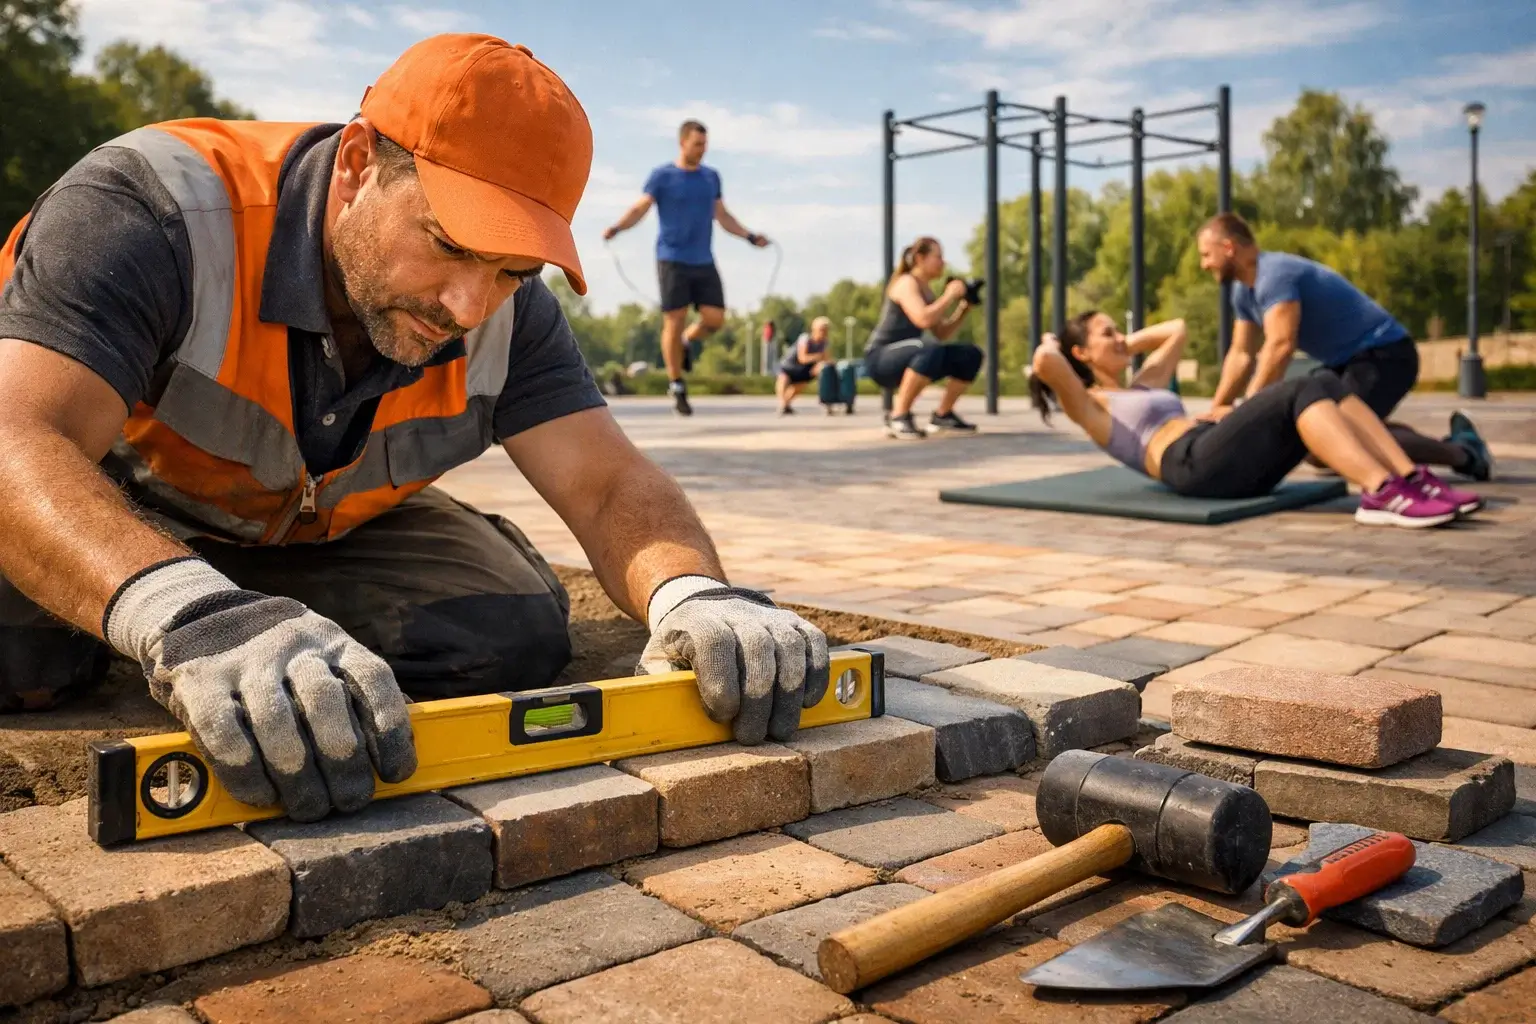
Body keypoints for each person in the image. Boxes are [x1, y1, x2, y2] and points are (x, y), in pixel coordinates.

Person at [0, 34, 829, 824]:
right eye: (447, 244)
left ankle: (223, 614)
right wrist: (185, 614)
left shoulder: (511, 315)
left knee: (506, 633)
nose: (469, 306)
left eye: (511, 270)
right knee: (21, 660)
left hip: (306, 531)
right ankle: (160, 603)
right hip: (97, 501)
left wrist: (694, 591)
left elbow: (608, 480)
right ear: (360, 164)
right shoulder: (155, 210)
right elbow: (16, 437)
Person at [1028, 311, 1483, 528]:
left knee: (1324, 382)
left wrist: (1126, 341)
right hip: (1192, 465)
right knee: (1302, 386)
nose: (1120, 339)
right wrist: (1052, 340)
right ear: (1082, 353)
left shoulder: (1144, 381)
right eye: (1107, 334)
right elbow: (1047, 362)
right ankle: (1381, 492)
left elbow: (1179, 328)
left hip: (1221, 451)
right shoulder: (1091, 405)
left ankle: (1407, 479)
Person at [1199, 213, 1493, 486]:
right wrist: (1216, 410)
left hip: (1384, 353)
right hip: (1347, 361)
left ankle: (1463, 453)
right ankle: (1450, 445)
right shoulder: (1242, 292)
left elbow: (1280, 345)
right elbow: (1240, 354)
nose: (1204, 264)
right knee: (1320, 440)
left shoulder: (1274, 275)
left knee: (1337, 438)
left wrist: (1247, 413)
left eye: (1206, 255)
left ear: (1228, 247)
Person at [603, 120, 770, 417]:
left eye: (705, 145)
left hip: (703, 259)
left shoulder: (711, 177)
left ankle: (687, 341)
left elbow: (722, 214)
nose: (702, 150)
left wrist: (749, 236)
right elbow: (641, 207)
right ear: (682, 143)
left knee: (715, 319)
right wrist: (618, 227)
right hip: (671, 258)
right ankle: (676, 383)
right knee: (675, 318)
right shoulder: (662, 176)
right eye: (697, 145)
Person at [864, 237, 982, 440]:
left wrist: (963, 308)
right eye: (938, 257)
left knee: (969, 354)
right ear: (920, 258)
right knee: (929, 347)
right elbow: (923, 319)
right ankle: (898, 417)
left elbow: (941, 333)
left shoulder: (927, 290)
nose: (943, 263)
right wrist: (949, 295)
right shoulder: (906, 283)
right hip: (881, 359)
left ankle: (942, 415)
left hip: (915, 354)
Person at [776, 317, 833, 414]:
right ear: (814, 329)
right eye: (821, 330)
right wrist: (819, 357)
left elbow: (826, 359)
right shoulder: (805, 339)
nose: (823, 333)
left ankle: (786, 405)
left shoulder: (824, 343)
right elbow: (802, 358)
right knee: (783, 379)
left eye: (826, 330)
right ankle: (783, 404)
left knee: (800, 384)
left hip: (804, 369)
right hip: (790, 366)